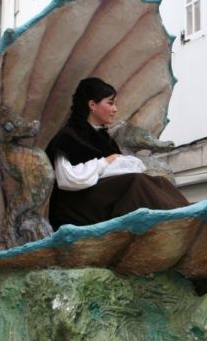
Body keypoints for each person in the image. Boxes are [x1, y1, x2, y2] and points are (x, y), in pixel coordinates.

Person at [45, 77, 188, 229]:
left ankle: (187, 215)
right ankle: (179, 221)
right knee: (136, 183)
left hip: (103, 198)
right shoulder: (67, 137)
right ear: (92, 105)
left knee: (161, 182)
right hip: (77, 208)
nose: (115, 109)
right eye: (110, 103)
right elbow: (68, 179)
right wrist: (105, 162)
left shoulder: (105, 139)